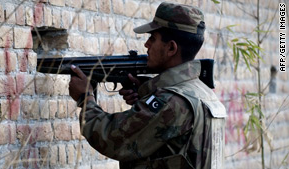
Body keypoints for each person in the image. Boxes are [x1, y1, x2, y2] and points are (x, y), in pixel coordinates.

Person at [69, 2, 225, 169]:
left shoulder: (170, 102)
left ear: (171, 48)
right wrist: (147, 92)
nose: (146, 45)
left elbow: (112, 139)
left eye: (152, 38)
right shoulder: (204, 92)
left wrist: (86, 98)